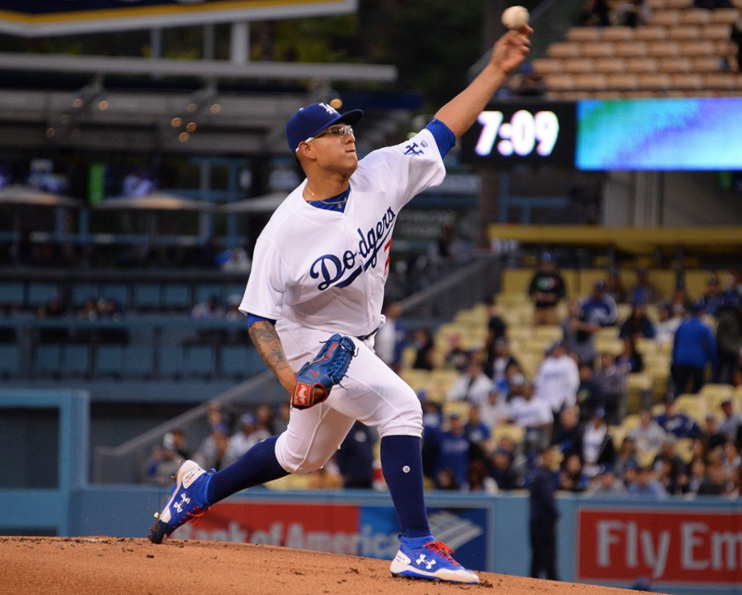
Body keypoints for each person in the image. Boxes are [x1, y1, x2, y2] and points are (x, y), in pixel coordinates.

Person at [145, 25, 533, 585]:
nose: (347, 134)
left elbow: (444, 128)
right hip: (313, 341)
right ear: (306, 151)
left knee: (301, 456)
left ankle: (198, 489)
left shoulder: (382, 172)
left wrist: (497, 70)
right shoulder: (282, 232)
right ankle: (416, 545)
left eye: (347, 125)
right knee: (402, 408)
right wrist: (288, 378)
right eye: (333, 131)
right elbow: (257, 316)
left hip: (358, 339)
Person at [672, 302, 717, 394]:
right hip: (697, 361)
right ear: (701, 312)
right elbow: (711, 346)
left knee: (680, 388)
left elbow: (675, 343)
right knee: (697, 391)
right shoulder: (704, 328)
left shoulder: (682, 325)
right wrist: (714, 364)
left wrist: (674, 358)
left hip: (681, 359)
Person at [529, 448, 559, 581]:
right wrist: (555, 514)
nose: (551, 460)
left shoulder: (537, 473)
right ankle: (555, 584)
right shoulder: (544, 475)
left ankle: (531, 583)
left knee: (537, 556)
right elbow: (548, 500)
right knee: (548, 557)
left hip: (535, 520)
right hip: (544, 522)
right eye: (548, 457)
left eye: (551, 457)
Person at [528, 252, 566, 326]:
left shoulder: (557, 277)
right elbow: (530, 291)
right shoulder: (537, 276)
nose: (547, 266)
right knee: (534, 327)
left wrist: (554, 296)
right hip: (539, 308)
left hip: (551, 308)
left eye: (549, 264)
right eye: (545, 264)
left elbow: (563, 292)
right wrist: (536, 295)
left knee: (551, 326)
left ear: (553, 265)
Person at [373, 301, 406, 373]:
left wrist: (399, 361)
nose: (397, 310)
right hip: (377, 359)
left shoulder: (399, 326)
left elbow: (402, 344)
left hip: (394, 362)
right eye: (394, 308)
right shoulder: (379, 322)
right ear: (388, 309)